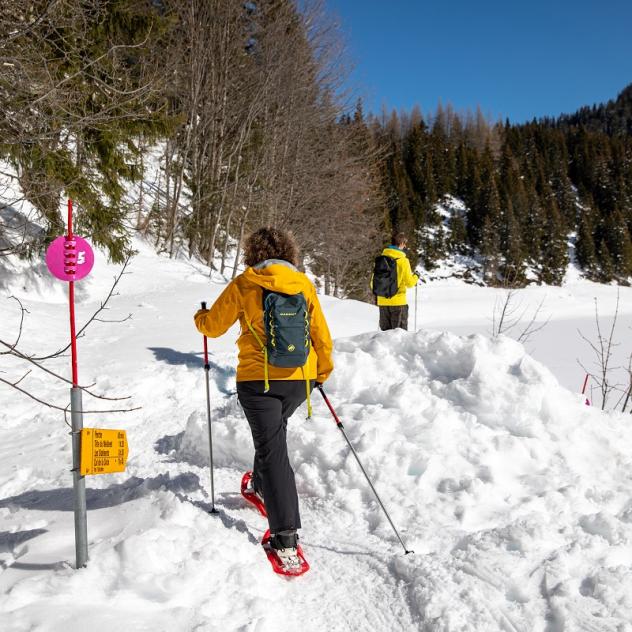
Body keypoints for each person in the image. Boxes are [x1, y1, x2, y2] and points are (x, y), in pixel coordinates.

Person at [194, 227, 333, 569]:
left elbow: (212, 326)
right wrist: (321, 372)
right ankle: (259, 486)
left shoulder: (246, 283)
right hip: (300, 380)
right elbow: (321, 335)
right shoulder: (303, 284)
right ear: (290, 253)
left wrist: (199, 317)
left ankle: (285, 537)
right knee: (272, 436)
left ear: (252, 253)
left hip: (259, 382)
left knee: (273, 450)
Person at [373, 232, 419, 331]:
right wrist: (416, 276)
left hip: (382, 303)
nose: (405, 246)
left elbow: (372, 284)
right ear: (401, 244)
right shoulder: (403, 261)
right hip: (398, 303)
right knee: (400, 336)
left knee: (385, 337)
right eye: (405, 243)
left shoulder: (381, 260)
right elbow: (410, 283)